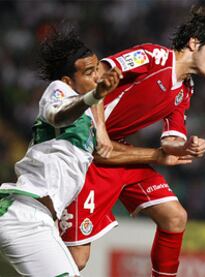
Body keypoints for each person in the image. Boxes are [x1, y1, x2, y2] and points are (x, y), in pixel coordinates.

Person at [59, 6, 205, 277]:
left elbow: (171, 139)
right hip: (87, 146)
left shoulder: (185, 89)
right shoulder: (152, 57)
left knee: (175, 217)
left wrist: (185, 147)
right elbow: (97, 75)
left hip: (118, 151)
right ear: (194, 43)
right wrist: (101, 131)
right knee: (77, 259)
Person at [0, 26, 122, 276]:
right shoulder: (59, 89)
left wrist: (157, 155)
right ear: (69, 80)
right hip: (26, 215)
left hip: (33, 216)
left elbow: (106, 149)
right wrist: (95, 95)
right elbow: (58, 115)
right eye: (89, 73)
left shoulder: (87, 114)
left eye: (97, 70)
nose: (97, 78)